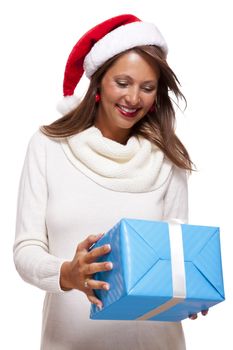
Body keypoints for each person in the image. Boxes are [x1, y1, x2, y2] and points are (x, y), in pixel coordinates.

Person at [13, 14, 208, 350]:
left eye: (147, 88)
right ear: (99, 82)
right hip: (69, 342)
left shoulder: (167, 157)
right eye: (122, 82)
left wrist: (185, 292)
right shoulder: (48, 146)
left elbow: (176, 252)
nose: (134, 98)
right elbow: (25, 250)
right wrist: (67, 274)